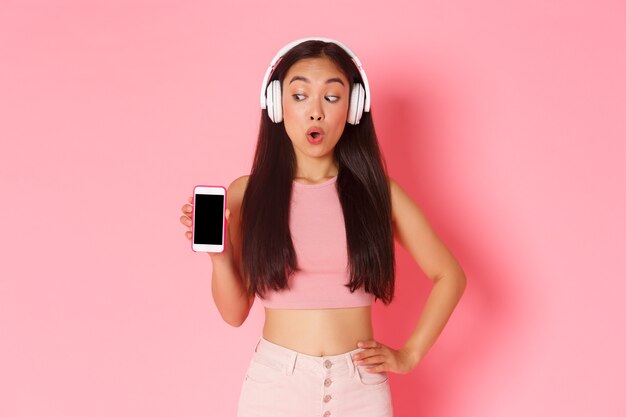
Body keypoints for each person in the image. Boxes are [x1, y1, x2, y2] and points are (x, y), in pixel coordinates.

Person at [179, 38, 466, 417]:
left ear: (354, 107)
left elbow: (450, 275)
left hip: (360, 388)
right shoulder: (246, 194)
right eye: (300, 96)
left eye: (332, 97)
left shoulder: (380, 193)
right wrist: (219, 257)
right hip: (275, 386)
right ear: (277, 105)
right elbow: (234, 314)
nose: (315, 112)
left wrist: (410, 355)